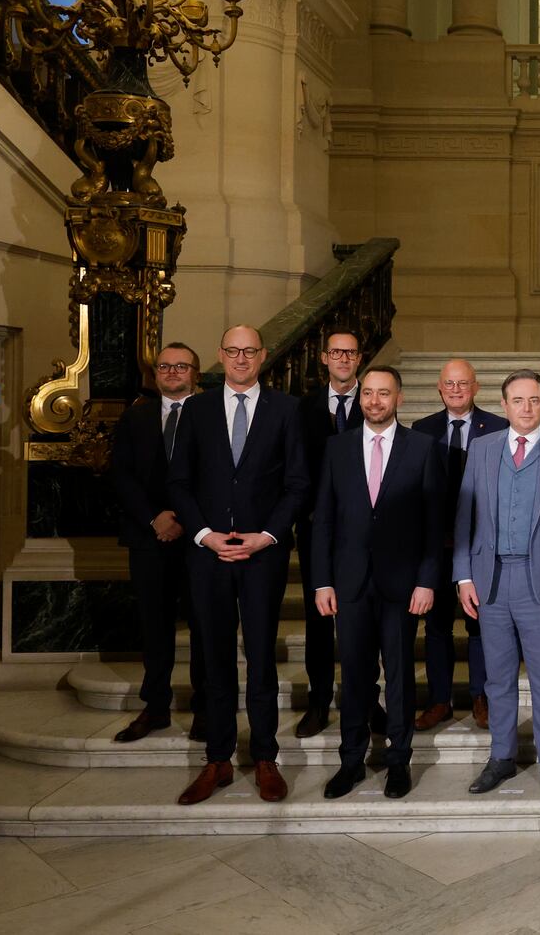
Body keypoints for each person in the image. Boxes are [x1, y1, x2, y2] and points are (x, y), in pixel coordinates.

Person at [167, 325, 310, 806]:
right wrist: (205, 536)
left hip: (261, 555)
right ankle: (219, 759)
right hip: (208, 553)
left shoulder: (287, 409)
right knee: (214, 658)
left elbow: (296, 484)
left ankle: (265, 756)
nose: (242, 358)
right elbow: (179, 483)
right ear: (220, 355)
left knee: (262, 658)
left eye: (250, 351)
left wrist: (266, 536)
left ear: (263, 355)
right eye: (233, 350)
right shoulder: (197, 408)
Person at [452, 370, 540, 800]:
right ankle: (502, 757)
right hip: (490, 582)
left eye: (534, 400)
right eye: (518, 400)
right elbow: (464, 518)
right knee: (497, 679)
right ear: (504, 404)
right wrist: (463, 575)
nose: (527, 408)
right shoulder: (481, 449)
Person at [310, 367, 444, 800]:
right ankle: (351, 761)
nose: (374, 401)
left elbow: (432, 525)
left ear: (399, 399)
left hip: (402, 585)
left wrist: (427, 581)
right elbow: (324, 521)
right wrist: (321, 582)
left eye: (383, 394)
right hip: (349, 583)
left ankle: (398, 761)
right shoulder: (337, 447)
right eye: (367, 393)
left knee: (401, 677)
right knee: (354, 676)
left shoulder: (423, 448)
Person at [108, 343, 206, 745]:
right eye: (165, 365)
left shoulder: (212, 415)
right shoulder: (135, 417)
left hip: (200, 539)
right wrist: (155, 518)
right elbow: (121, 476)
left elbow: (219, 476)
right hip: (148, 536)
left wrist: (186, 521)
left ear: (195, 373)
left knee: (203, 625)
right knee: (155, 625)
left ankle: (205, 706)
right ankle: (156, 706)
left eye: (181, 366)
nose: (171, 371)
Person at [411, 359, 508, 731]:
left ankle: (481, 697)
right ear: (439, 387)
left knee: (480, 623)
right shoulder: (422, 430)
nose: (456, 389)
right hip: (437, 545)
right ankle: (440, 700)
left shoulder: (498, 427)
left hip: (482, 544)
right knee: (436, 626)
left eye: (463, 383)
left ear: (476, 387)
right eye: (449, 384)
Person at [293, 329, 366, 740]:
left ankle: (363, 695)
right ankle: (319, 699)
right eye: (336, 352)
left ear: (359, 358)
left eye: (350, 353)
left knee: (361, 615)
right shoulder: (301, 409)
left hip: (361, 531)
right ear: (324, 358)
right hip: (316, 528)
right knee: (318, 618)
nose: (343, 359)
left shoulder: (376, 404)